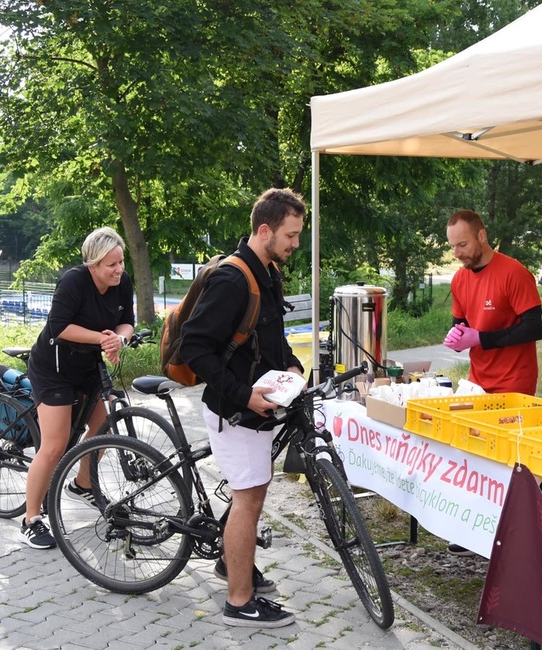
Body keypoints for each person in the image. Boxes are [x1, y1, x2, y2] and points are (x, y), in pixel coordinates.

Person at [179, 188, 305, 628]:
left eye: (298, 236)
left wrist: (291, 365)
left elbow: (271, 337)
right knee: (248, 500)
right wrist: (242, 394)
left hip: (257, 408)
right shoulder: (234, 279)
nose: (294, 244)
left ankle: (234, 567)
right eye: (290, 235)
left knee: (252, 495)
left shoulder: (267, 271)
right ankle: (239, 601)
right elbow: (194, 347)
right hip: (235, 411)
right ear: (265, 229)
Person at [21, 227, 135, 549]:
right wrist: (103, 338)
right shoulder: (73, 281)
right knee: (55, 445)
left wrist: (119, 338)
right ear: (92, 265)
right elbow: (59, 326)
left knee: (101, 427)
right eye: (111, 264)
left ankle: (83, 483)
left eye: (121, 262)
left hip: (87, 367)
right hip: (53, 368)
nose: (119, 269)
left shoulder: (121, 283)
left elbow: (127, 321)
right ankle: (30, 519)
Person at [443, 209, 542, 555]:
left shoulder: (513, 272)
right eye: (453, 246)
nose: (458, 253)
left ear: (482, 236)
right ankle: (475, 528)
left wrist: (481, 339)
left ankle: (511, 533)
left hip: (514, 381)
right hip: (478, 380)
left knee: (506, 459)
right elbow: (461, 323)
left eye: (463, 244)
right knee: (474, 453)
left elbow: (534, 327)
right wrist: (457, 336)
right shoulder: (460, 279)